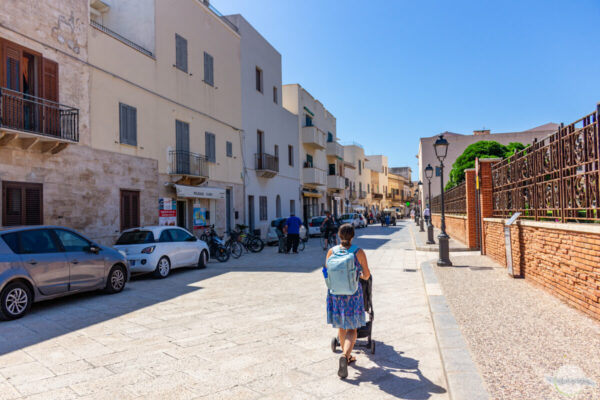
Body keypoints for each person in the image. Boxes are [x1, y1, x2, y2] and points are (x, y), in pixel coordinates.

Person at [325, 224, 371, 379]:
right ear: (353, 236)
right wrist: (359, 277)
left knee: (341, 326)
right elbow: (366, 274)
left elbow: (327, 271)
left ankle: (348, 355)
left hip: (335, 294)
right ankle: (345, 356)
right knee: (352, 329)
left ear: (339, 236)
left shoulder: (332, 251)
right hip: (353, 295)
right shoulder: (358, 252)